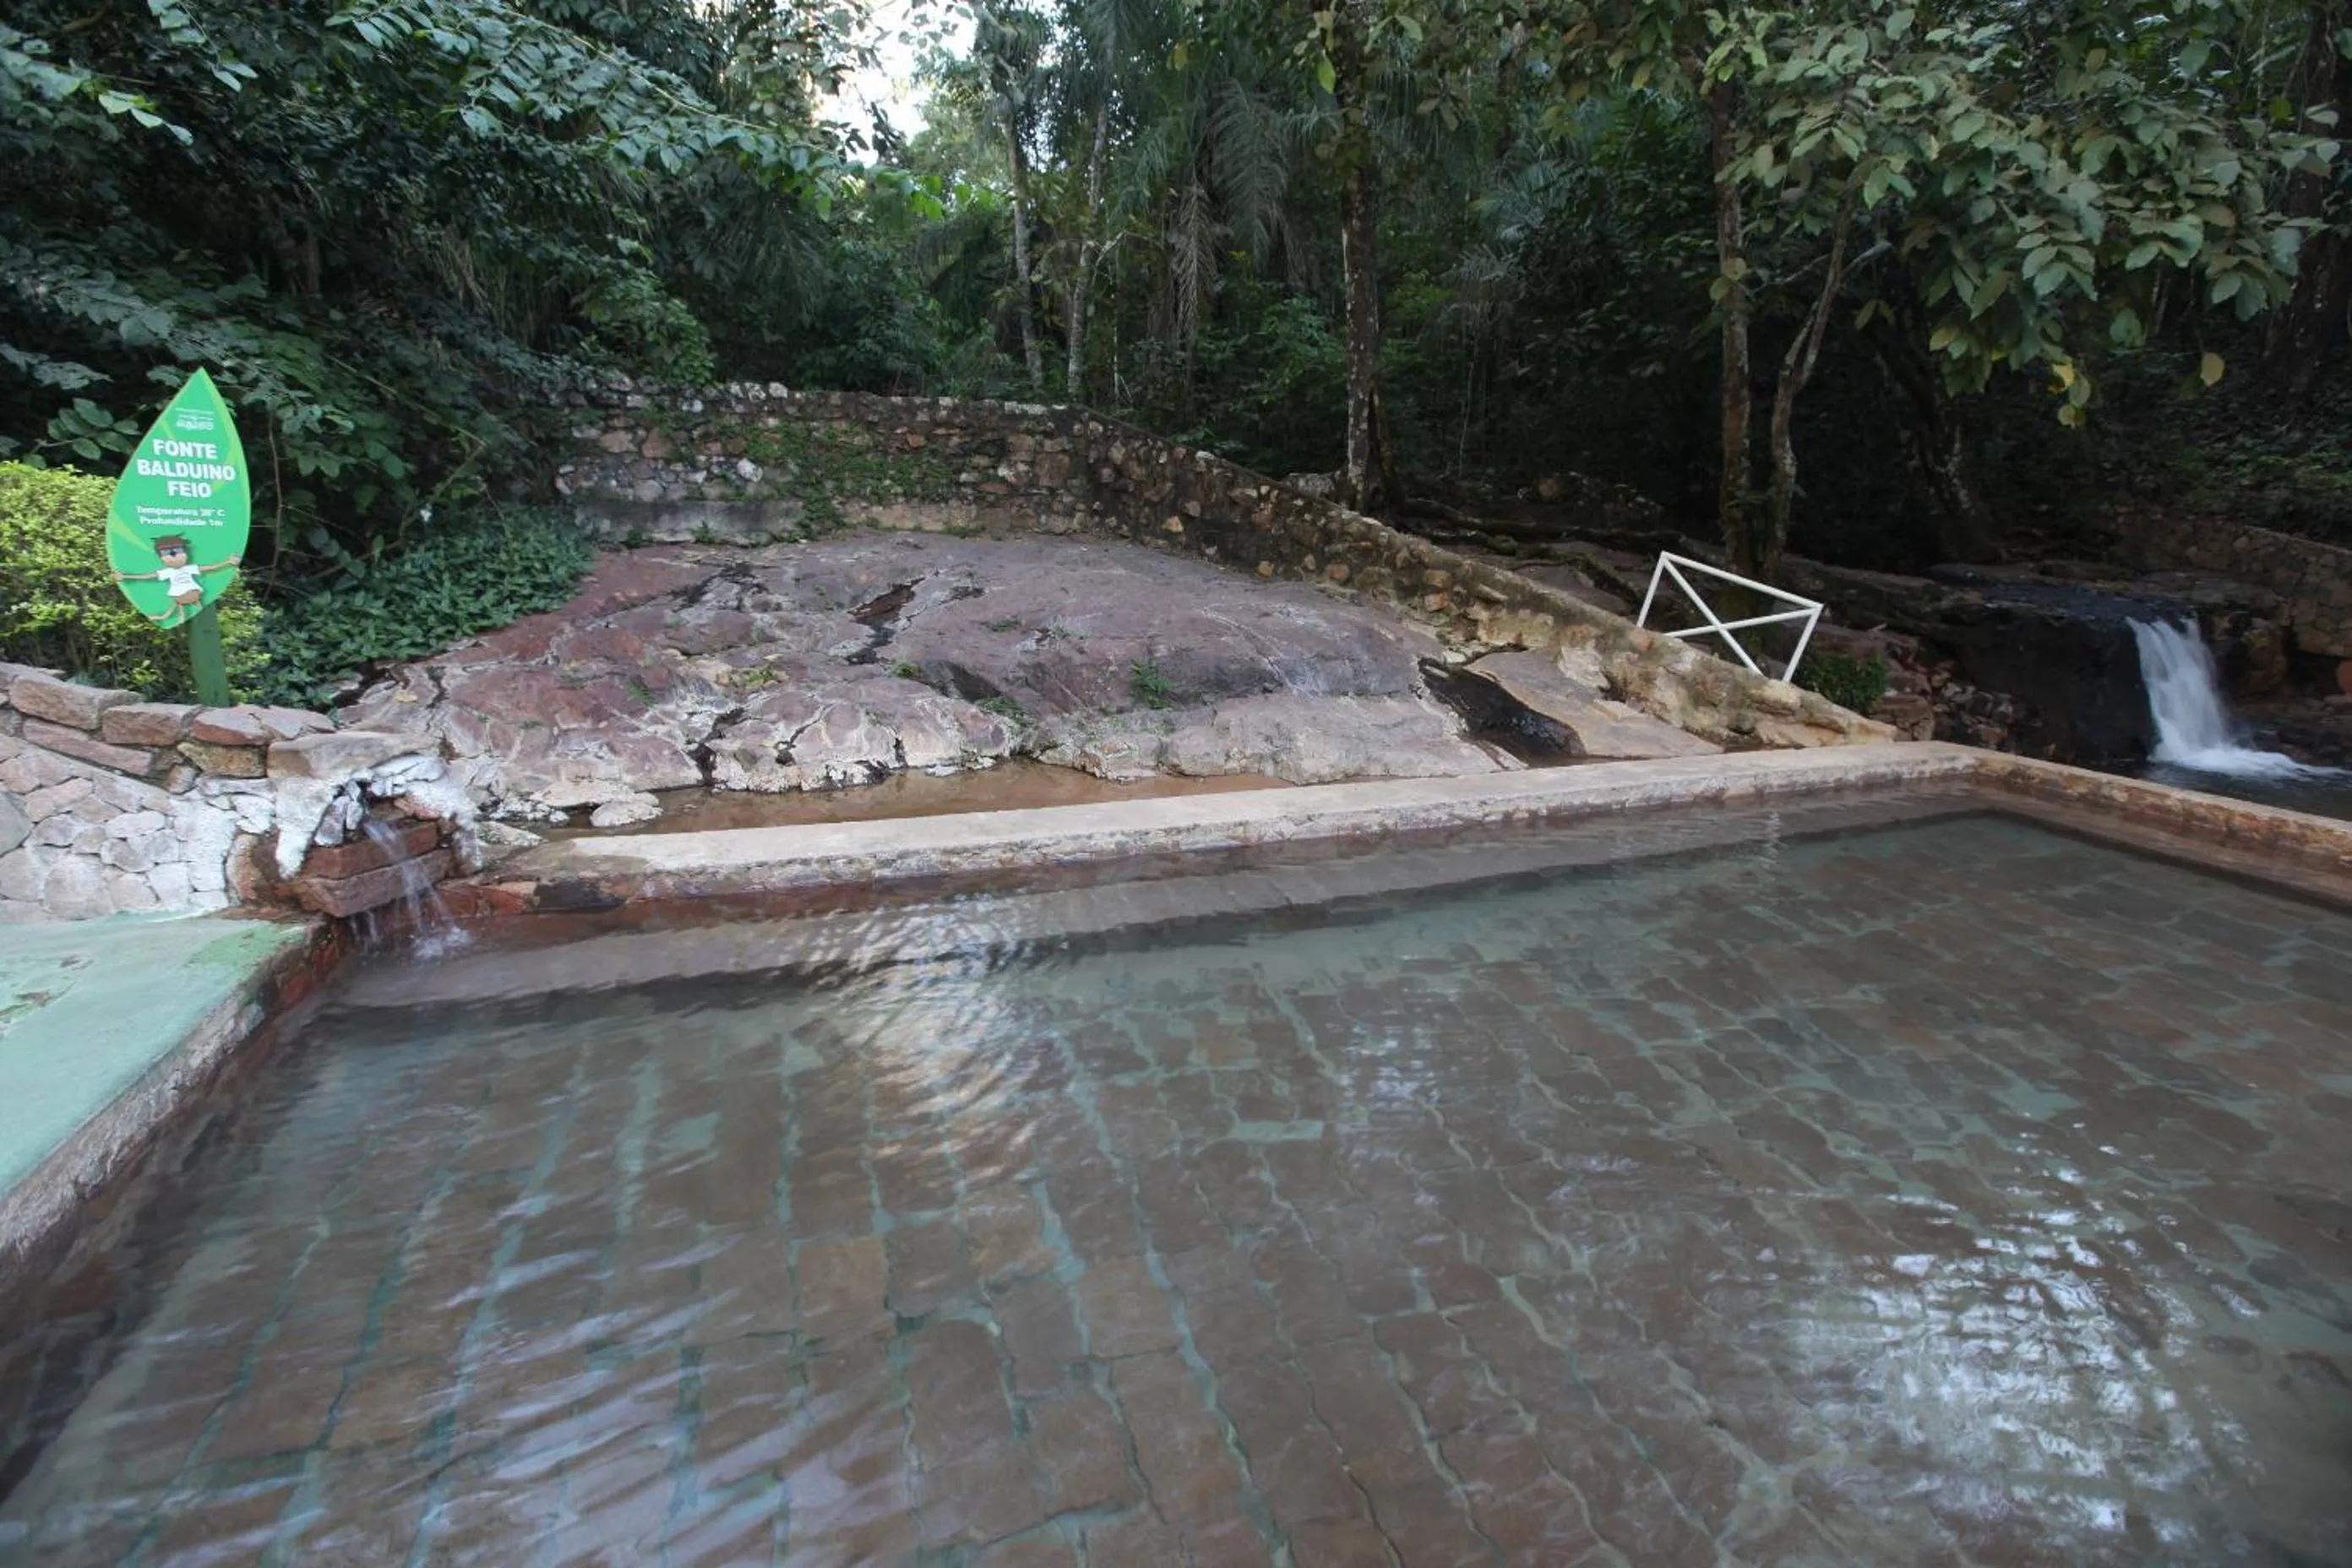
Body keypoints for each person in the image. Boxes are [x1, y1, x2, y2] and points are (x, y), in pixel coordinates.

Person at [117, 534, 241, 629]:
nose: (174, 555)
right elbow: (148, 576)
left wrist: (228, 562)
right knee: (180, 608)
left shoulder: (189, 568)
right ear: (161, 557)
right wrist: (126, 577)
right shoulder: (167, 572)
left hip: (190, 594)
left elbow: (211, 567)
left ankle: (172, 617)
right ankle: (174, 618)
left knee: (184, 608)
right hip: (181, 596)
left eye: (178, 551)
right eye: (167, 553)